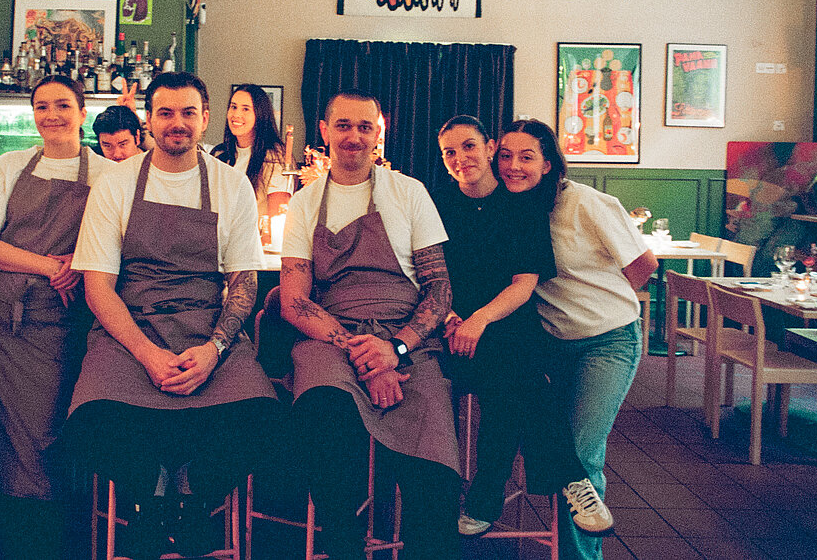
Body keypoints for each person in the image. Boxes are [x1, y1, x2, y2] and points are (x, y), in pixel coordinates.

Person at [65, 71, 279, 559]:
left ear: (205, 119)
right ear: (148, 120)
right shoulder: (115, 183)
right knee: (93, 417)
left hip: (208, 326)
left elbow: (244, 283)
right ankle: (152, 500)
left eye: (188, 113)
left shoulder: (231, 185)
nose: (176, 122)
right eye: (165, 112)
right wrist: (146, 353)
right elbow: (97, 287)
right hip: (130, 326)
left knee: (262, 416)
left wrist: (214, 350)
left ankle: (190, 499)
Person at [279, 89, 460, 560]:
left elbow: (440, 290)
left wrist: (394, 349)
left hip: (408, 337)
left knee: (433, 461)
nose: (354, 137)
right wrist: (364, 353)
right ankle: (343, 542)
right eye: (344, 126)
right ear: (325, 130)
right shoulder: (304, 203)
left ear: (380, 132)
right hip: (330, 336)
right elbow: (294, 302)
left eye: (365, 127)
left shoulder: (409, 192)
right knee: (325, 411)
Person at [433, 115, 612, 539]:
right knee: (522, 385)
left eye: (469, 146)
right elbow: (427, 273)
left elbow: (524, 284)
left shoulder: (522, 207)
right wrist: (448, 315)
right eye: (449, 152)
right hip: (449, 330)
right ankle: (572, 480)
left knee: (510, 381)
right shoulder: (436, 204)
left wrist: (478, 319)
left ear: (488, 148)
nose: (460, 158)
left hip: (506, 327)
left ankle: (483, 502)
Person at [0, 75, 116, 559]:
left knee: (52, 430)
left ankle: (56, 539)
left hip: (67, 323)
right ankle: (21, 541)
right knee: (9, 434)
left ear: (83, 113)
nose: (52, 115)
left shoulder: (107, 174)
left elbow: (119, 243)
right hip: (1, 323)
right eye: (42, 106)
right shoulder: (10, 166)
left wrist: (81, 259)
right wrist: (51, 266)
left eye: (63, 105)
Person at [497, 118, 658, 560]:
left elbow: (644, 266)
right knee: (556, 448)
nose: (514, 166)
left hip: (607, 340)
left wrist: (601, 300)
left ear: (548, 163)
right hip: (550, 343)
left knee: (580, 455)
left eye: (527, 156)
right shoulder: (509, 206)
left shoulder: (587, 202)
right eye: (506, 156)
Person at [210, 84, 292, 228]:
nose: (236, 114)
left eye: (246, 109)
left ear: (260, 114)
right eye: (233, 107)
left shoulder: (274, 157)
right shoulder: (220, 154)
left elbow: (276, 217)